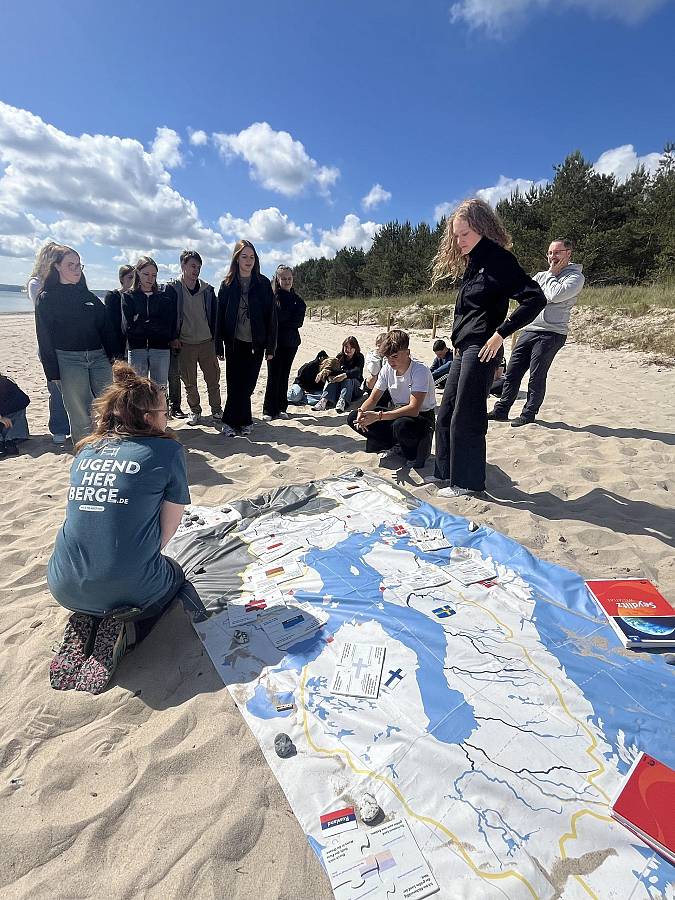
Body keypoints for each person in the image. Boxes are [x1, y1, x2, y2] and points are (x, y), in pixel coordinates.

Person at [47, 362, 204, 694]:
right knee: (174, 574)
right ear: (147, 417)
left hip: (63, 582)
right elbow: (165, 532)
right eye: (165, 412)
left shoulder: (86, 450)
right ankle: (127, 631)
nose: (167, 417)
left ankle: (90, 617)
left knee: (118, 576)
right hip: (128, 585)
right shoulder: (167, 450)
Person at [430, 198, 546, 497]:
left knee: (467, 415)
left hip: (483, 347)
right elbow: (468, 312)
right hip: (463, 347)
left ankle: (467, 483)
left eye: (465, 234)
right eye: (455, 235)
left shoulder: (499, 259)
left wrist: (501, 334)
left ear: (482, 228)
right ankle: (445, 473)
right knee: (446, 412)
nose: (459, 241)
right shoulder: (473, 262)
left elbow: (535, 298)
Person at [489, 239, 585, 426]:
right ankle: (501, 410)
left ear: (568, 253)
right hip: (530, 328)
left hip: (552, 332)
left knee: (536, 375)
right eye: (550, 253)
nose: (552, 257)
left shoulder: (575, 277)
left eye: (557, 252)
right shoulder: (541, 276)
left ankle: (528, 414)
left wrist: (551, 275)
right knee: (513, 372)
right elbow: (528, 298)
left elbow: (555, 295)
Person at [35, 246, 115, 445]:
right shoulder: (46, 298)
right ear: (57, 267)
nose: (76, 269)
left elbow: (106, 328)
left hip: (98, 357)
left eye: (78, 265)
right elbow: (44, 338)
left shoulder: (89, 297)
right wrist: (53, 373)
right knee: (79, 412)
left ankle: (111, 446)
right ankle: (84, 450)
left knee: (110, 405)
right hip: (69, 360)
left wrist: (114, 357)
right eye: (70, 265)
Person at [347, 329, 436, 468]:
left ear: (407, 352)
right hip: (397, 411)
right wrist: (361, 412)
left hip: (421, 416)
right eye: (387, 357)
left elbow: (414, 409)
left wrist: (379, 416)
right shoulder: (387, 369)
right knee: (353, 417)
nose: (390, 361)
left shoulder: (420, 370)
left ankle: (413, 453)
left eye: (394, 356)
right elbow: (373, 398)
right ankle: (393, 444)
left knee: (401, 424)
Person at [217, 240, 277, 437]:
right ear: (237, 259)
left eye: (252, 257)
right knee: (234, 384)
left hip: (256, 344)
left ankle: (243, 420)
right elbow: (219, 316)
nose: (248, 260)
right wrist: (218, 345)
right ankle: (231, 422)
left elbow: (271, 317)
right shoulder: (227, 284)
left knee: (248, 385)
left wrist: (270, 347)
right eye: (244, 256)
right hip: (233, 343)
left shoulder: (263, 284)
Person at [166, 250, 221, 426]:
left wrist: (217, 342)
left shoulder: (207, 290)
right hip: (185, 343)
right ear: (183, 266)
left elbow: (215, 317)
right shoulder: (173, 289)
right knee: (189, 382)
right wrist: (173, 337)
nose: (196, 270)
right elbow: (168, 316)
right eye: (192, 266)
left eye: (198, 267)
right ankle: (195, 411)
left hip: (207, 342)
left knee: (213, 380)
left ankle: (217, 410)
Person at [28, 242, 71, 444]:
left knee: (73, 387)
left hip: (70, 343)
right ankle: (59, 429)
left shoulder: (65, 282)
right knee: (56, 388)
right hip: (49, 345)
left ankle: (72, 425)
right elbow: (47, 308)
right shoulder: (36, 283)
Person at [122, 256, 178, 391]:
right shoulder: (129, 296)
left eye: (154, 275)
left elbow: (167, 326)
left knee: (160, 390)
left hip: (160, 349)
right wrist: (154, 322)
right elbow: (128, 327)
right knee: (137, 390)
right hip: (137, 349)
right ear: (138, 273)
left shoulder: (163, 297)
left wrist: (141, 320)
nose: (150, 278)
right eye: (146, 274)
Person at [263, 265, 306, 421]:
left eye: (289, 278)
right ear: (278, 279)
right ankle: (269, 410)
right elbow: (271, 321)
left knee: (284, 375)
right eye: (283, 278)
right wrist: (285, 317)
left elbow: (298, 322)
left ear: (292, 279)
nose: (287, 281)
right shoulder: (272, 298)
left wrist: (282, 318)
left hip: (291, 343)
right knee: (273, 376)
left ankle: (281, 408)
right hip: (274, 344)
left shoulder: (298, 301)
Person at [313, 335, 365, 413]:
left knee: (348, 379)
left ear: (356, 348)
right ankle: (324, 400)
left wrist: (344, 375)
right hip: (340, 387)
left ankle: (343, 401)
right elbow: (334, 370)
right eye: (346, 347)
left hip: (355, 388)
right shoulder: (340, 356)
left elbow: (357, 371)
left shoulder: (359, 357)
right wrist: (327, 374)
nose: (348, 350)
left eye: (351, 347)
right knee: (334, 379)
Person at [104, 264, 134, 363]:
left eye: (135, 277)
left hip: (134, 346)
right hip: (117, 344)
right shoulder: (113, 297)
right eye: (130, 277)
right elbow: (110, 324)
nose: (133, 280)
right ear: (121, 278)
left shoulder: (137, 297)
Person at [0, 371, 30, 457]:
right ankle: (8, 441)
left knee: (16, 416)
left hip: (13, 412)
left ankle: (9, 441)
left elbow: (24, 400)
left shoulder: (5, 383)